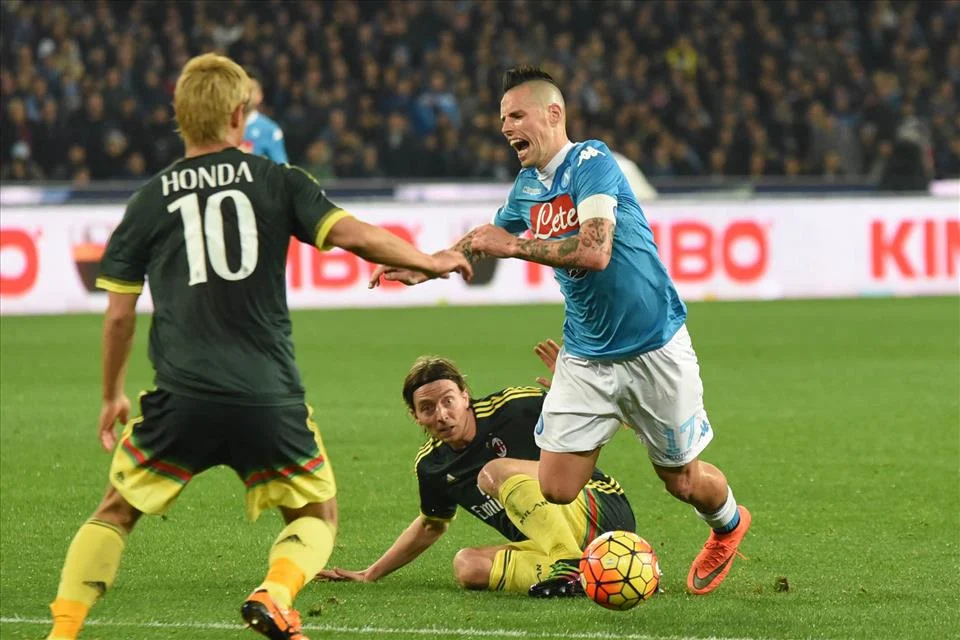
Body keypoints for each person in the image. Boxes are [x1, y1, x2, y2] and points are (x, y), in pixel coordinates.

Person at [44, 53, 471, 640]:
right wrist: (429, 260)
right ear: (238, 115)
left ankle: (62, 631)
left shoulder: (148, 201)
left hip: (182, 397)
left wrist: (111, 394)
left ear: (179, 116)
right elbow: (353, 235)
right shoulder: (277, 180)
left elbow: (119, 317)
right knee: (316, 514)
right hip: (268, 398)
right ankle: (275, 593)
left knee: (115, 512)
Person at [371, 65, 751, 597]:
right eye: (502, 119)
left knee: (682, 481)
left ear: (553, 114)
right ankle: (574, 562)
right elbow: (486, 237)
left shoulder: (592, 162)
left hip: (654, 348)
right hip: (586, 356)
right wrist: (427, 265)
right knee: (554, 487)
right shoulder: (528, 186)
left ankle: (728, 525)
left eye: (516, 115)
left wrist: (514, 247)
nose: (505, 127)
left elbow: (594, 251)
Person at [318, 342, 636, 597]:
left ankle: (568, 562)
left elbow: (617, 417)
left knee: (493, 472)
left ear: (465, 396)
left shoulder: (515, 407)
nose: (441, 415)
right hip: (554, 544)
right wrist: (370, 573)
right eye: (427, 408)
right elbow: (431, 525)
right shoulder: (433, 466)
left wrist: (581, 397)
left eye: (448, 401)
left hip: (599, 509)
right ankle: (586, 576)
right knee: (468, 566)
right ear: (415, 416)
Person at [241, 70, 288, 163]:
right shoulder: (221, 127)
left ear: (260, 96)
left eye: (251, 90)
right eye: (242, 89)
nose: (246, 94)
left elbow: (280, 167)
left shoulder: (270, 130)